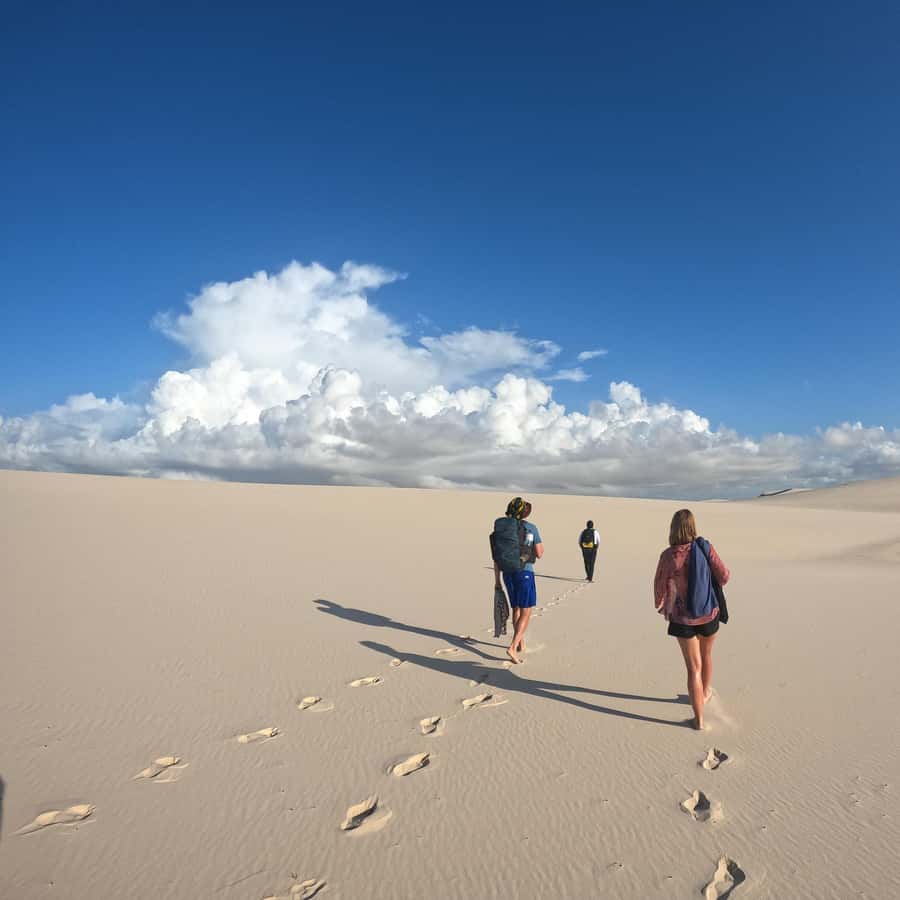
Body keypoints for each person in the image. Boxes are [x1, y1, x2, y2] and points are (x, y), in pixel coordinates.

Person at [653, 509, 730, 730]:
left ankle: (699, 720)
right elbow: (724, 576)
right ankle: (704, 693)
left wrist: (660, 603)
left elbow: (659, 584)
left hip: (682, 619)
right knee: (706, 656)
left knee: (693, 668)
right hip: (708, 614)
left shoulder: (669, 555)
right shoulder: (705, 547)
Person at [493, 497, 543, 665]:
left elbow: (496, 556)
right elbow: (540, 552)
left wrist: (497, 580)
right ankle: (513, 646)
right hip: (525, 572)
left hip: (507, 573)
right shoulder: (530, 528)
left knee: (516, 608)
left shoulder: (502, 529)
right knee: (526, 611)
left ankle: (520, 642)